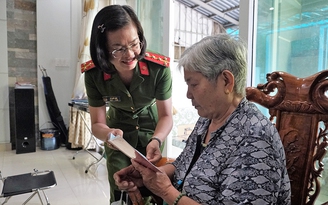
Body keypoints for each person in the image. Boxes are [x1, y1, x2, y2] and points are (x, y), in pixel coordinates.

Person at [113, 34, 291, 204]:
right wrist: (149, 176)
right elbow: (184, 164)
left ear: (226, 81)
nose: (188, 94)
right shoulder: (209, 118)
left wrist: (167, 192)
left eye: (194, 84)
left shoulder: (255, 138)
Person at [84, 4, 173, 204]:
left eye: (134, 43)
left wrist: (156, 140)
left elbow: (166, 116)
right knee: (121, 185)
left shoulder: (158, 69)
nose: (130, 54)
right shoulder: (93, 75)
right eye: (118, 49)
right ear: (102, 50)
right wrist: (109, 135)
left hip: (152, 130)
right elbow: (97, 124)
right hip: (117, 135)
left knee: (154, 185)